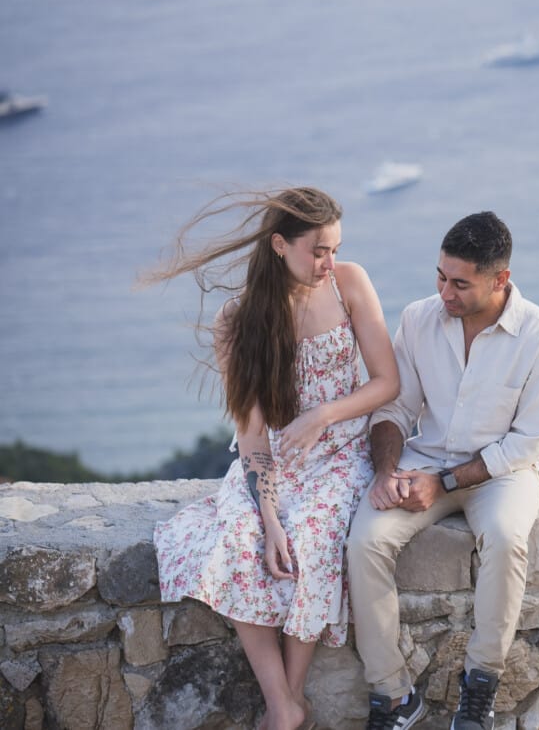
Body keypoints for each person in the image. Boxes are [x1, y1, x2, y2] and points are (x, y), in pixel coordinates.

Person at [150, 187, 399, 730]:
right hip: (275, 464)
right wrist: (267, 518)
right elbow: (252, 435)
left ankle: (290, 699)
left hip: (341, 454)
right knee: (242, 542)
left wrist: (323, 415)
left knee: (312, 539)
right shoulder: (237, 321)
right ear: (280, 245)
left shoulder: (349, 283)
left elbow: (387, 382)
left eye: (334, 249)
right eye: (318, 251)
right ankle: (283, 703)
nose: (328, 262)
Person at [348, 211, 539, 730]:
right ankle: (393, 696)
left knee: (506, 538)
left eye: (460, 284)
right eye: (440, 277)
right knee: (364, 542)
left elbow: (530, 441)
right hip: (423, 460)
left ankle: (480, 685)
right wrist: (386, 472)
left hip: (503, 472)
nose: (444, 293)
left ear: (500, 279)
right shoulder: (418, 319)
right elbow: (394, 409)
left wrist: (445, 482)